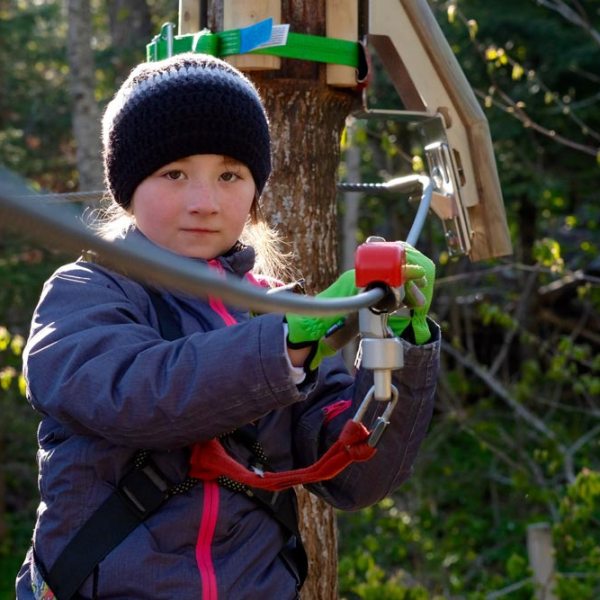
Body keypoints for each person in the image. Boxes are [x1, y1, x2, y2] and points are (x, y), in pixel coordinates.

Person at [16, 53, 440, 600]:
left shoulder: (272, 312)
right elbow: (136, 397)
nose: (204, 202)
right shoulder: (83, 293)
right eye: (174, 173)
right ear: (128, 185)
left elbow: (353, 474)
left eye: (229, 175)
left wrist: (400, 344)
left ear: (254, 190)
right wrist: (283, 345)